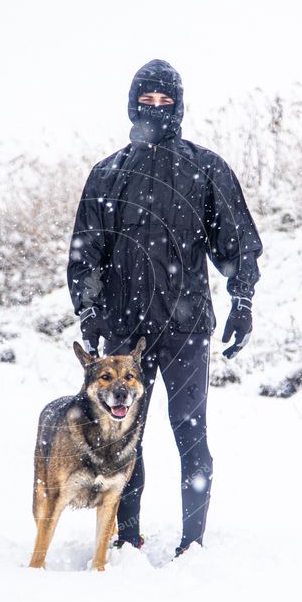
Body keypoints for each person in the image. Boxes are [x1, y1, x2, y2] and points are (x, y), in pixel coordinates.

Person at [66, 59, 263, 558]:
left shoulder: (205, 167)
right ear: (132, 104)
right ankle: (127, 537)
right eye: (146, 101)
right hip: (123, 333)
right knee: (122, 439)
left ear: (178, 107)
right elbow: (85, 252)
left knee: (190, 433)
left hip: (186, 327)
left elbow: (236, 241)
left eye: (164, 101)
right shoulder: (107, 173)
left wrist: (242, 299)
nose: (154, 109)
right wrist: (89, 313)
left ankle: (192, 545)